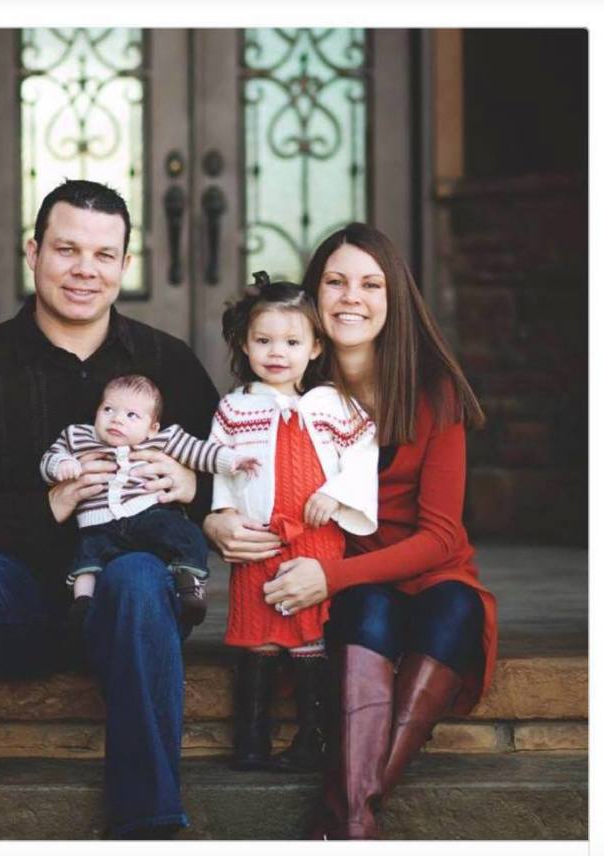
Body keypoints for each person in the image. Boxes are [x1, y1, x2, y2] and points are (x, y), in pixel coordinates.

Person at [0, 179, 221, 840]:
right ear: (33, 252)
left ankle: (149, 825)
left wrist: (189, 489)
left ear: (123, 265)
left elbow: (230, 476)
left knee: (140, 576)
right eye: (66, 249)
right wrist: (50, 503)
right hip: (20, 598)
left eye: (102, 255)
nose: (84, 270)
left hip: (131, 606)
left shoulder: (166, 364)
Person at [203, 224, 497, 840]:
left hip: (410, 569)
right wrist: (216, 517)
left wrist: (329, 576)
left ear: (395, 299)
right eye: (334, 282)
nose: (351, 297)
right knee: (368, 617)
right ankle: (353, 825)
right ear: (314, 297)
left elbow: (442, 537)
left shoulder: (433, 392)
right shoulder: (288, 383)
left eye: (370, 283)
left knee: (456, 612)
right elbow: (233, 465)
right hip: (344, 578)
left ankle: (346, 817)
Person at [208, 271, 378, 774]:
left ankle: (312, 738)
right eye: (263, 340)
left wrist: (335, 493)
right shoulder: (236, 408)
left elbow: (363, 456)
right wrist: (224, 513)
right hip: (260, 537)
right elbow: (220, 463)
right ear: (245, 343)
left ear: (315, 346)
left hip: (315, 535)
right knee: (258, 631)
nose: (276, 352)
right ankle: (251, 739)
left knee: (308, 632)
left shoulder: (334, 406)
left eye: (291, 341)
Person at [40, 373, 259, 628]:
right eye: (108, 409)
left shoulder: (162, 439)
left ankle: (189, 585)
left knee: (184, 533)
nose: (117, 419)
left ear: (152, 427)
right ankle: (82, 603)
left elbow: (199, 452)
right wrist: (61, 465)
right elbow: (50, 458)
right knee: (86, 557)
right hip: (96, 522)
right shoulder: (77, 436)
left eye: (132, 415)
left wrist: (232, 461)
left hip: (146, 515)